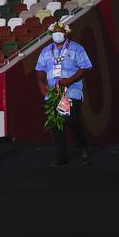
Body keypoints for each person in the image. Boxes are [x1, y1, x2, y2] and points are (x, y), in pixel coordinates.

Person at [35, 21, 93, 166]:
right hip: (53, 93)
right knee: (56, 124)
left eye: (60, 31)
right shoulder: (46, 51)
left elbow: (85, 67)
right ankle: (61, 157)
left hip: (71, 91)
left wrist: (70, 80)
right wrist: (44, 90)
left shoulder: (76, 48)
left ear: (66, 33)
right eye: (55, 32)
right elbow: (40, 72)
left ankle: (83, 146)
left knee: (71, 120)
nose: (57, 34)